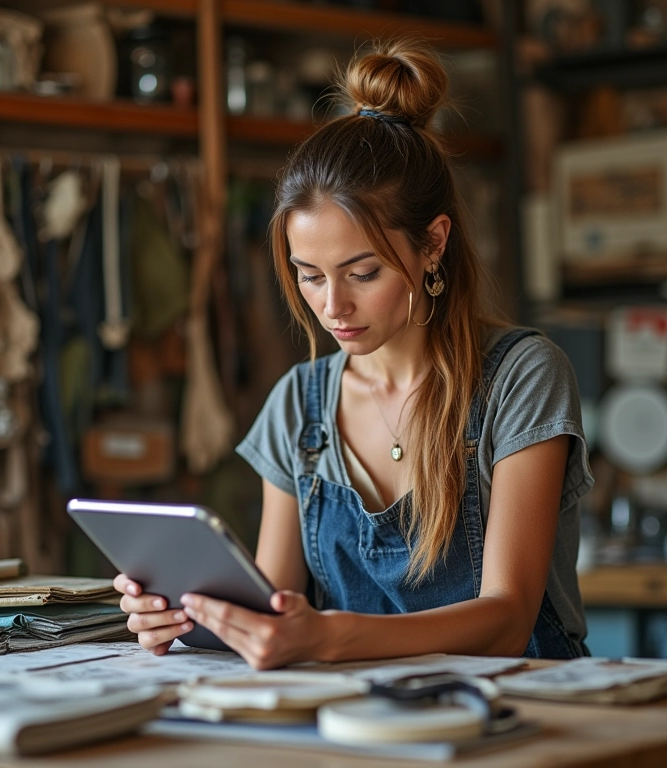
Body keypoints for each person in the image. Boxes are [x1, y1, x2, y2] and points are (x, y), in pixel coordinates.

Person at [114, 36, 594, 669]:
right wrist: (190, 619)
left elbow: (507, 619)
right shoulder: (299, 403)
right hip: (354, 722)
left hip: (522, 720)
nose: (332, 305)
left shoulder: (521, 378)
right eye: (309, 275)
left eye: (362, 273)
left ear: (432, 244)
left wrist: (332, 636)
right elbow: (274, 606)